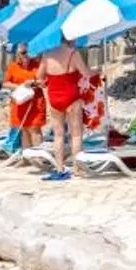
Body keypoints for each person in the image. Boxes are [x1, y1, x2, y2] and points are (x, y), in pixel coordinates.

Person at [37, 40, 93, 179]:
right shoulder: (73, 53)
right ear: (70, 39)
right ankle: (77, 168)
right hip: (71, 95)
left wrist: (46, 83)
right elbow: (86, 73)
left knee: (58, 135)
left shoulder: (47, 54)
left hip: (54, 96)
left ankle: (59, 167)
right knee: (76, 135)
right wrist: (97, 71)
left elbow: (39, 78)